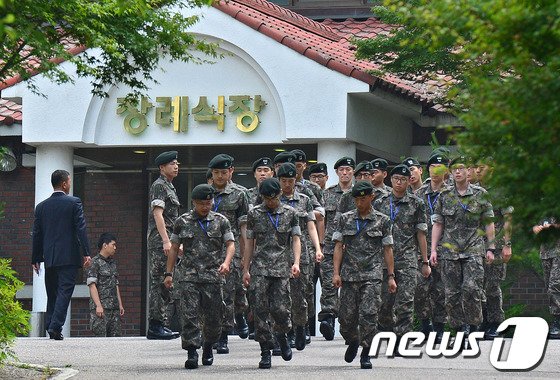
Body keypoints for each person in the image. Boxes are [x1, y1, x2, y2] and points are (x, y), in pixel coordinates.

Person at [164, 184, 235, 369]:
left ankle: (209, 345)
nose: (206, 206)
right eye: (202, 203)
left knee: (214, 319)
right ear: (194, 202)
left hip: (213, 276)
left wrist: (226, 262)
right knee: (189, 316)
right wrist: (169, 273)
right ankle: (192, 352)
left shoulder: (221, 221)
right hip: (189, 276)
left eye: (209, 202)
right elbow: (173, 248)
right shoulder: (182, 221)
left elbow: (230, 244)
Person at [430, 156, 496, 347]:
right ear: (450, 173)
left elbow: (489, 223)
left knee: (472, 290)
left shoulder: (481, 194)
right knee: (451, 293)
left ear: (469, 171)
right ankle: (459, 330)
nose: (458, 172)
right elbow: (438, 224)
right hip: (449, 252)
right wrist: (433, 250)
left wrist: (491, 248)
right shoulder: (444, 196)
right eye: (454, 169)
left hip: (474, 250)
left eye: (461, 168)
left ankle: (473, 329)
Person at [333, 181, 397, 369]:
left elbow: (388, 249)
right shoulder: (344, 219)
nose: (359, 203)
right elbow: (338, 246)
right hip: (349, 275)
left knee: (369, 314)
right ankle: (353, 339)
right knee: (346, 318)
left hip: (372, 275)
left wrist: (391, 276)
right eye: (356, 199)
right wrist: (336, 273)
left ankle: (366, 352)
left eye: (363, 199)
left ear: (372, 197)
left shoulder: (383, 220)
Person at [243, 178, 302, 369]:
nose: (270, 202)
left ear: (279, 195)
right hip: (260, 268)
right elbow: (249, 243)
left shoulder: (290, 213)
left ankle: (282, 336)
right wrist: (245, 268)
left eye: (273, 198)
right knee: (260, 310)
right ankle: (265, 351)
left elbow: (295, 239)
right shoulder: (254, 214)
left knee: (281, 309)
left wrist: (296, 262)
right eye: (266, 199)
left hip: (281, 268)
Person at [374, 164, 430, 351]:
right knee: (384, 303)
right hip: (383, 259)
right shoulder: (379, 202)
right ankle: (387, 333)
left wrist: (425, 261)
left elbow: (421, 234)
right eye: (396, 179)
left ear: (408, 182)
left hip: (407, 258)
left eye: (403, 180)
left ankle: (402, 340)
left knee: (405, 301)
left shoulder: (417, 203)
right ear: (391, 179)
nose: (399, 183)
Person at [32, 169, 92, 340]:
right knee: (64, 291)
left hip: (49, 256)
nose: (70, 184)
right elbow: (81, 228)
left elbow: (37, 233)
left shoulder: (41, 207)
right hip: (69, 257)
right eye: (70, 181)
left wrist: (35, 258)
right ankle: (55, 326)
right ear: (64, 183)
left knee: (52, 292)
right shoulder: (74, 202)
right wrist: (87, 253)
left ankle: (51, 323)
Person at [277, 163, 323, 350]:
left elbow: (311, 225)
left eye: (291, 181)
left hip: (301, 251)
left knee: (300, 293)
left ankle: (301, 327)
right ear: (279, 180)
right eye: (284, 181)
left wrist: (318, 248)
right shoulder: (273, 199)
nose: (287, 184)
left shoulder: (304, 200)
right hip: (279, 252)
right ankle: (285, 331)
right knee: (281, 295)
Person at [208, 153, 250, 352]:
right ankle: (212, 334)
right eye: (216, 172)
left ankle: (224, 335)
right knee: (212, 295)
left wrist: (245, 254)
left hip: (230, 250)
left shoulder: (240, 194)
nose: (219, 176)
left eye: (223, 172)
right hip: (207, 251)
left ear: (231, 171)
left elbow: (243, 226)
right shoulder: (205, 192)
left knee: (230, 292)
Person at [318, 156, 355, 341]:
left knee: (350, 287)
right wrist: (322, 242)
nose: (345, 172)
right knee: (329, 284)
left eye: (348, 169)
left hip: (354, 248)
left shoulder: (360, 194)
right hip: (331, 246)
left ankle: (348, 323)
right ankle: (328, 319)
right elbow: (321, 220)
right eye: (342, 170)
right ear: (337, 173)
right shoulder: (327, 194)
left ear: (353, 172)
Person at [414, 152, 448, 342]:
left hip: (446, 247)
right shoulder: (419, 194)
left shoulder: (451, 192)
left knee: (440, 290)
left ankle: (439, 326)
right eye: (433, 167)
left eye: (440, 167)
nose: (436, 171)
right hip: (421, 249)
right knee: (419, 289)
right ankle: (425, 322)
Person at [146, 151, 181, 340]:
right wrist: (166, 240)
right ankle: (155, 326)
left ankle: (161, 323)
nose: (176, 166)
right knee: (159, 281)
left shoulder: (170, 187)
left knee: (167, 281)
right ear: (162, 167)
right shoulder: (159, 186)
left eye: (177, 163)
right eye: (172, 164)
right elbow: (158, 214)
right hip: (160, 241)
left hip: (169, 240)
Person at [87, 233, 124, 337]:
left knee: (116, 340)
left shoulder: (112, 263)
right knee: (100, 340)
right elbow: (92, 285)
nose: (115, 248)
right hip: (102, 309)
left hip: (114, 309)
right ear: (105, 245)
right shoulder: (95, 262)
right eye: (113, 245)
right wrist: (98, 305)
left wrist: (120, 304)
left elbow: (116, 284)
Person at [533, 218, 560, 339]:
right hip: (545, 253)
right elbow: (535, 225)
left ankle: (558, 321)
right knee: (549, 287)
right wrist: (536, 229)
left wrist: (551, 227)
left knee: (554, 285)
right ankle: (556, 319)